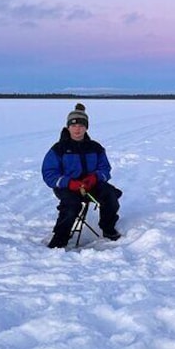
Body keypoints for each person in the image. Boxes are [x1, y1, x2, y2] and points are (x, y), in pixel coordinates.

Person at [41, 103, 122, 248]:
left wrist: (95, 177)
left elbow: (105, 169)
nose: (77, 129)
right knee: (71, 205)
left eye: (81, 125)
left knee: (110, 195)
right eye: (73, 125)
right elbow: (49, 174)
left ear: (86, 127)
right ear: (68, 128)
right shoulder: (59, 149)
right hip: (67, 187)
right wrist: (69, 182)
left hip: (91, 185)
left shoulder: (95, 147)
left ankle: (108, 228)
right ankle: (60, 237)